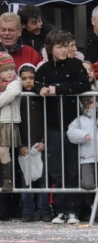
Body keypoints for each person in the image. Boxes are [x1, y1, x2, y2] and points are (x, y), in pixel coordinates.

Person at [33, 29, 90, 224]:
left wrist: (57, 90)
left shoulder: (76, 65)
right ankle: (59, 208)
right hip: (53, 126)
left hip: (72, 124)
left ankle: (74, 209)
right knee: (56, 169)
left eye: (66, 46)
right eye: (59, 47)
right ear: (50, 49)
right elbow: (35, 83)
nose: (64, 50)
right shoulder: (44, 68)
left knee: (72, 168)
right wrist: (39, 88)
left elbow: (83, 85)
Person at [66, 95, 98, 223]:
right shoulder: (80, 120)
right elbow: (70, 133)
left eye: (96, 102)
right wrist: (83, 135)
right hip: (87, 157)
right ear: (84, 105)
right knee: (88, 184)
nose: (94, 105)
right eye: (90, 103)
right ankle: (89, 202)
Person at [17, 64, 48, 221]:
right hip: (24, 144)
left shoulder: (41, 97)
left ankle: (43, 209)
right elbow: (15, 125)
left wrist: (44, 141)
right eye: (24, 78)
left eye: (31, 78)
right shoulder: (18, 98)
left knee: (43, 179)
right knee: (25, 179)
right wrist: (19, 145)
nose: (28, 81)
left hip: (40, 144)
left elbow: (48, 121)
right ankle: (27, 211)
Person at [0, 51, 22, 191]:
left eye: (12, 69)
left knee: (3, 151)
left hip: (7, 121)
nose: (9, 72)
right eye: (5, 70)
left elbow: (11, 93)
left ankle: (7, 179)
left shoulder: (16, 82)